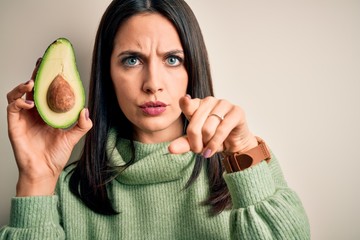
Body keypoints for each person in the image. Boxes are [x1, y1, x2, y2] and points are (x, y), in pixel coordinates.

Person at [1, 0, 310, 239]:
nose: (153, 83)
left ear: (193, 72)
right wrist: (36, 180)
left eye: (172, 60)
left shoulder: (247, 167)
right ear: (107, 75)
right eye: (132, 60)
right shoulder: (66, 190)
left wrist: (243, 153)